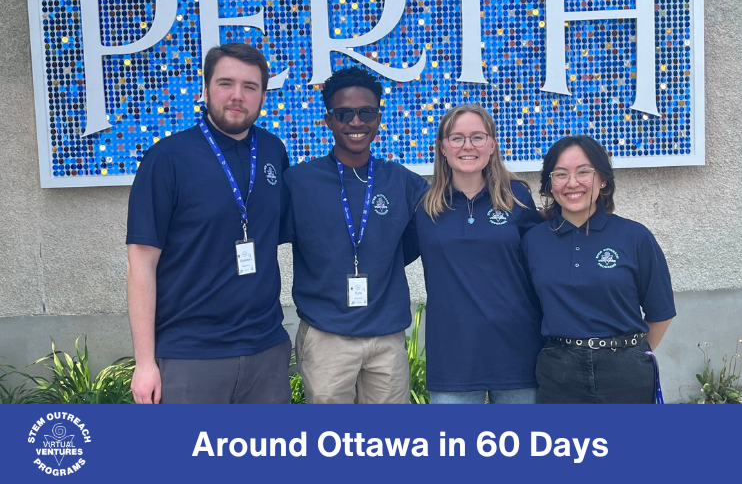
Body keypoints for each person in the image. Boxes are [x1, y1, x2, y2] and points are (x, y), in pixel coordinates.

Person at [126, 43, 291, 404]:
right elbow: (141, 263)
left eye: (250, 87)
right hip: (191, 355)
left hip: (265, 349)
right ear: (204, 90)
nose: (237, 96)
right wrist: (144, 363)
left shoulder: (273, 151)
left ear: (263, 96)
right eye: (225, 83)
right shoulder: (167, 159)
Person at [281, 67, 428, 404]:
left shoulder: (403, 182)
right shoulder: (299, 183)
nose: (356, 122)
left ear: (379, 118)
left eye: (367, 112)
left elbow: (416, 242)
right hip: (326, 336)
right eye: (344, 114)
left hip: (386, 335)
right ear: (329, 120)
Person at [523, 135, 675, 403]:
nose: (572, 183)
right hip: (558, 372)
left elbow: (661, 311)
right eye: (560, 174)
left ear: (603, 179)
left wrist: (632, 355)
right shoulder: (533, 241)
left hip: (625, 371)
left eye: (584, 172)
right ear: (549, 184)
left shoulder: (635, 236)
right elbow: (529, 311)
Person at [413, 104, 544, 403]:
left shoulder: (517, 197)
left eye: (477, 137)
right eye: (457, 138)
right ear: (442, 147)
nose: (467, 146)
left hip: (517, 348)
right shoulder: (424, 206)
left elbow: (542, 263)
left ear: (492, 144)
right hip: (452, 355)